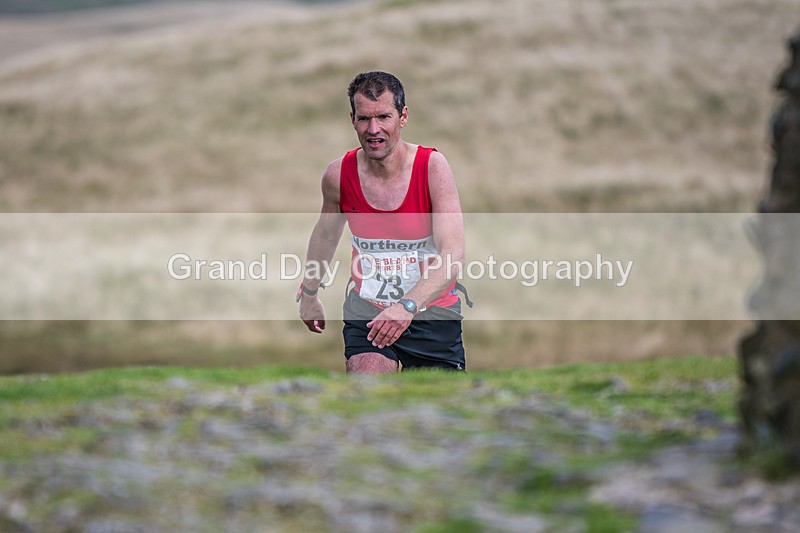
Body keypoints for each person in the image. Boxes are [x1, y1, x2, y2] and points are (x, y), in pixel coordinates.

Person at [298, 71, 469, 374]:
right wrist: (309, 293)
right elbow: (325, 235)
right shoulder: (338, 175)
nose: (373, 129)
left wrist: (406, 307)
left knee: (437, 401)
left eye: (384, 117)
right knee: (366, 388)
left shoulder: (432, 168)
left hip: (432, 312)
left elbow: (453, 254)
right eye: (364, 118)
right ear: (352, 119)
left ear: (403, 116)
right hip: (368, 311)